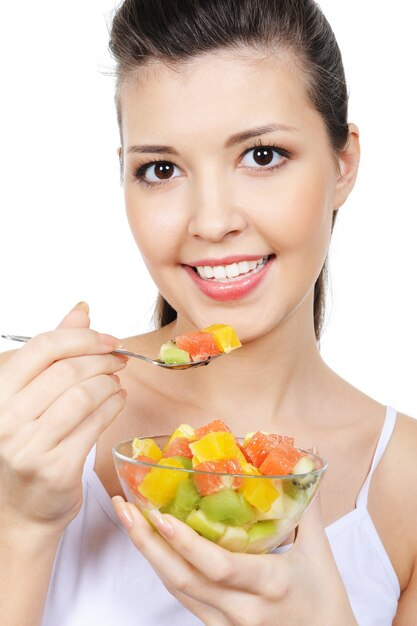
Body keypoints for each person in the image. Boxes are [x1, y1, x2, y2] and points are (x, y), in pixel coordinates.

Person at [0, 1, 416, 624]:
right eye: (160, 169)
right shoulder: (21, 424)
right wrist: (20, 525)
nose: (213, 221)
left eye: (262, 156)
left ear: (343, 165)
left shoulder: (406, 486)